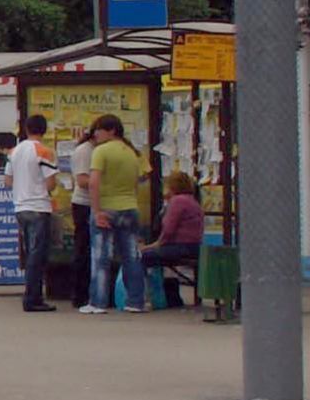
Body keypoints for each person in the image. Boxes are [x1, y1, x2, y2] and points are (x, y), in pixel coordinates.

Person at [82, 113, 148, 315]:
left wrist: (96, 210)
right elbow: (139, 181)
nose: (96, 134)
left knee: (101, 258)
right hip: (129, 208)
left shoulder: (101, 151)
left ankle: (98, 302)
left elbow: (93, 182)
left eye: (99, 130)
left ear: (111, 131)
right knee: (132, 257)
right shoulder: (132, 153)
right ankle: (135, 301)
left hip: (107, 208)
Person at [4, 112, 57, 314]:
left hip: (20, 207)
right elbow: (50, 182)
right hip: (39, 207)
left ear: (26, 129)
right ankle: (33, 298)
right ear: (44, 130)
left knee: (29, 252)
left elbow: (7, 181)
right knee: (38, 254)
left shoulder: (14, 152)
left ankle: (31, 295)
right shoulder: (44, 151)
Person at [141, 172, 206, 309]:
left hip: (180, 247)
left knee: (141, 257)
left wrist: (154, 245)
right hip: (194, 247)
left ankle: (141, 296)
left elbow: (169, 230)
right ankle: (170, 295)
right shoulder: (193, 201)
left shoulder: (177, 201)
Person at [66, 122, 96, 295]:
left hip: (97, 202)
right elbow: (83, 180)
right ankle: (80, 292)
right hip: (84, 204)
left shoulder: (96, 150)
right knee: (83, 247)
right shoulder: (85, 151)